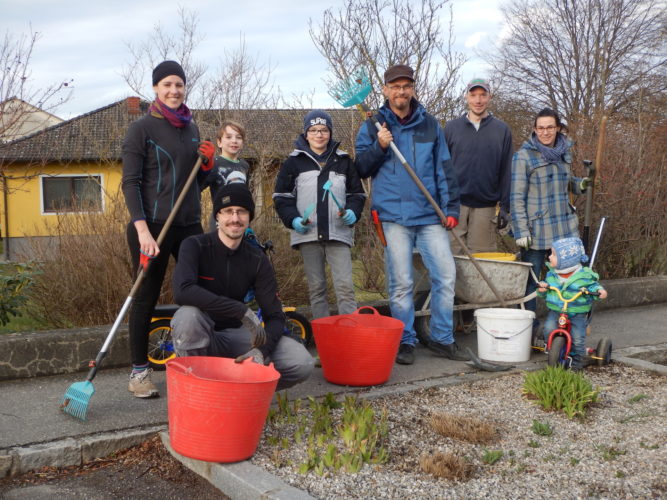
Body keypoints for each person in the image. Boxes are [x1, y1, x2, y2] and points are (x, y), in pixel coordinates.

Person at [355, 64, 468, 365]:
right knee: (401, 282)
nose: (401, 91)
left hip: (430, 215)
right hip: (393, 217)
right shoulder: (372, 126)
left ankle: (443, 339)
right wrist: (380, 146)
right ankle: (405, 340)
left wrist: (450, 208)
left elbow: (444, 169)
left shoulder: (430, 125)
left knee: (445, 275)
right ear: (385, 90)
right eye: (395, 86)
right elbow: (360, 168)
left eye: (406, 86)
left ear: (413, 89)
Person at [121, 60, 215, 398]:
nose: (174, 90)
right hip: (153, 227)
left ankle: (200, 362)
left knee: (202, 290)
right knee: (144, 297)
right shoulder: (141, 129)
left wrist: (207, 165)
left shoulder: (192, 128)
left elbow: (196, 184)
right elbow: (130, 184)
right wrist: (142, 230)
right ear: (156, 89)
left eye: (179, 84)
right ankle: (139, 373)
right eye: (167, 85)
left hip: (188, 224)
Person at [170, 183, 314, 390]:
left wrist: (261, 351)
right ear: (217, 216)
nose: (235, 218)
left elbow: (274, 316)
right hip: (202, 334)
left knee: (301, 362)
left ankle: (242, 392)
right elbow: (183, 291)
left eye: (241, 212)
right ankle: (197, 390)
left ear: (249, 217)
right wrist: (239, 309)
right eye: (228, 211)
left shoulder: (256, 259)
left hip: (238, 335)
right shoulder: (195, 245)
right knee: (188, 316)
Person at [273, 110, 366, 320]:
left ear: (330, 133)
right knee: (317, 290)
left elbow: (357, 194)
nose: (319, 135)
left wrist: (353, 211)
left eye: (324, 130)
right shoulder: (293, 163)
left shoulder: (343, 161)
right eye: (313, 130)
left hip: (338, 234)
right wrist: (293, 219)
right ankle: (324, 338)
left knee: (345, 288)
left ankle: (351, 337)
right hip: (308, 235)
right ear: (306, 134)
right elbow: (281, 197)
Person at [510, 107, 590, 321]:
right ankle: (528, 327)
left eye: (550, 128)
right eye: (541, 128)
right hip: (536, 231)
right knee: (533, 283)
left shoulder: (565, 153)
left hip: (564, 227)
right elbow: (516, 197)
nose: (545, 132)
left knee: (569, 280)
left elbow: (564, 183)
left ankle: (565, 326)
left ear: (558, 128)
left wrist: (579, 184)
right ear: (534, 130)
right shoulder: (523, 157)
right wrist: (520, 230)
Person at [444, 78, 513, 254]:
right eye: (473, 95)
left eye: (483, 95)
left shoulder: (501, 130)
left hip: (486, 206)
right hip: (454, 206)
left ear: (490, 97)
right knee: (451, 259)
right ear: (467, 97)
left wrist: (505, 206)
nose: (478, 100)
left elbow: (507, 169)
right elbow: (441, 167)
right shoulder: (452, 128)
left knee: (482, 263)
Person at [537, 236, 607, 370]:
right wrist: (542, 289)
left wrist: (599, 291)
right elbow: (545, 291)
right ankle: (553, 351)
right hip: (556, 310)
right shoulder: (552, 275)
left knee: (578, 338)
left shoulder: (584, 276)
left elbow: (593, 286)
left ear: (566, 261)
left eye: (554, 255)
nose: (549, 257)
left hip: (576, 312)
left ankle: (577, 362)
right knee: (548, 328)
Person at [201, 120, 250, 231]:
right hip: (220, 218)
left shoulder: (244, 166)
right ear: (219, 142)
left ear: (242, 142)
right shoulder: (214, 163)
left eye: (238, 137)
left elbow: (246, 194)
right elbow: (196, 188)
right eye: (228, 137)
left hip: (240, 219)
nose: (234, 141)